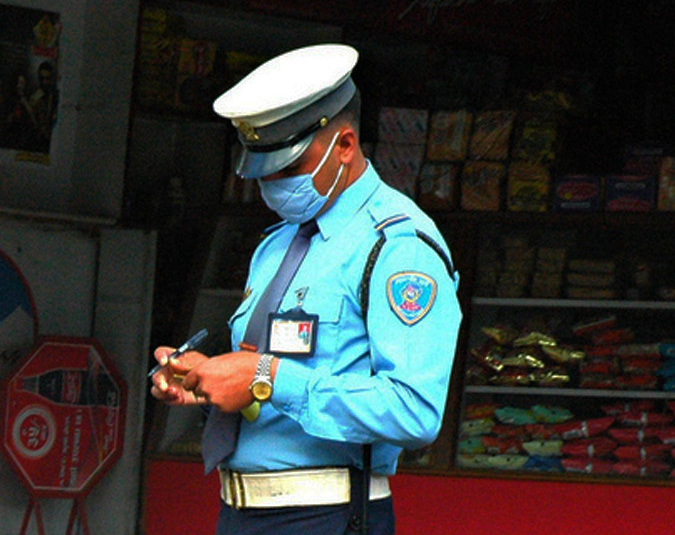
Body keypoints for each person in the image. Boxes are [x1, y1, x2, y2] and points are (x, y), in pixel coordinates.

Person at [150, 43, 462, 534]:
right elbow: (268, 383)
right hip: (240, 513)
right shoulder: (277, 243)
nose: (272, 182)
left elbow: (414, 411)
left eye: (289, 167)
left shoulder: (399, 247)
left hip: (329, 516)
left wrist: (266, 375)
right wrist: (206, 383)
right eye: (263, 169)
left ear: (345, 145)